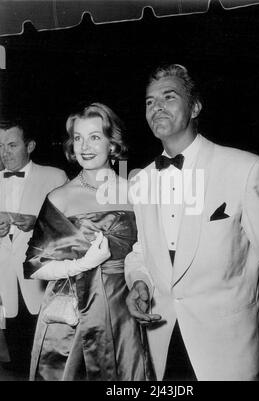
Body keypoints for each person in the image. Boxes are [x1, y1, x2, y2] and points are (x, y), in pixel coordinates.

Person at [124, 63, 259, 381]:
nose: (156, 107)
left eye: (169, 97)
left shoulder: (245, 170)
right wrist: (139, 281)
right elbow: (142, 250)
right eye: (150, 101)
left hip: (228, 349)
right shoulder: (140, 181)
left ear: (195, 107)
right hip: (163, 340)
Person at [23, 102, 155, 381]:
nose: (85, 146)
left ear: (112, 142)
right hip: (70, 316)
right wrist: (82, 263)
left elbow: (146, 252)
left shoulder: (135, 192)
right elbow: (34, 266)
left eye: (95, 137)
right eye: (78, 137)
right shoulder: (60, 197)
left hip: (124, 312)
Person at [0, 118, 67, 375]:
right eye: (1, 146)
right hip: (5, 281)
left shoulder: (54, 176)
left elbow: (69, 229)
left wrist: (38, 223)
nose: (4, 152)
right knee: (15, 358)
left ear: (30, 146)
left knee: (47, 357)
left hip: (41, 281)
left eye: (12, 145)